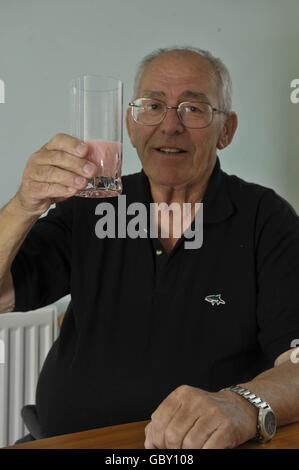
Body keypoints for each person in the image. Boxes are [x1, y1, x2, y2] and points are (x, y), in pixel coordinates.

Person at [0, 46, 299, 449]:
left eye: (193, 109)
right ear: (130, 124)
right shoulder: (90, 207)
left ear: (226, 130)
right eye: (153, 105)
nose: (170, 125)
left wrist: (242, 404)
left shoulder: (266, 218)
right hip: (68, 440)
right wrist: (24, 204)